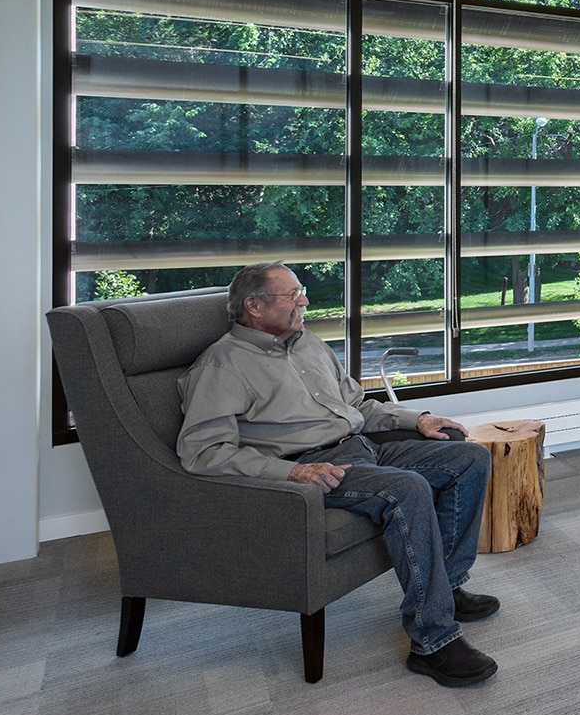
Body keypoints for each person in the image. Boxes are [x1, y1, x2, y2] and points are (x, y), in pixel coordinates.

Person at [176, 262, 501, 687]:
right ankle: (433, 641)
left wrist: (417, 419)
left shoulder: (308, 344)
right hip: (316, 468)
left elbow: (358, 407)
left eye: (301, 292)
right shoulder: (223, 365)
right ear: (253, 306)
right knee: (409, 488)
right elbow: (203, 451)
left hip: (361, 447)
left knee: (469, 458)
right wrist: (292, 472)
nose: (304, 301)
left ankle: (449, 587)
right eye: (292, 295)